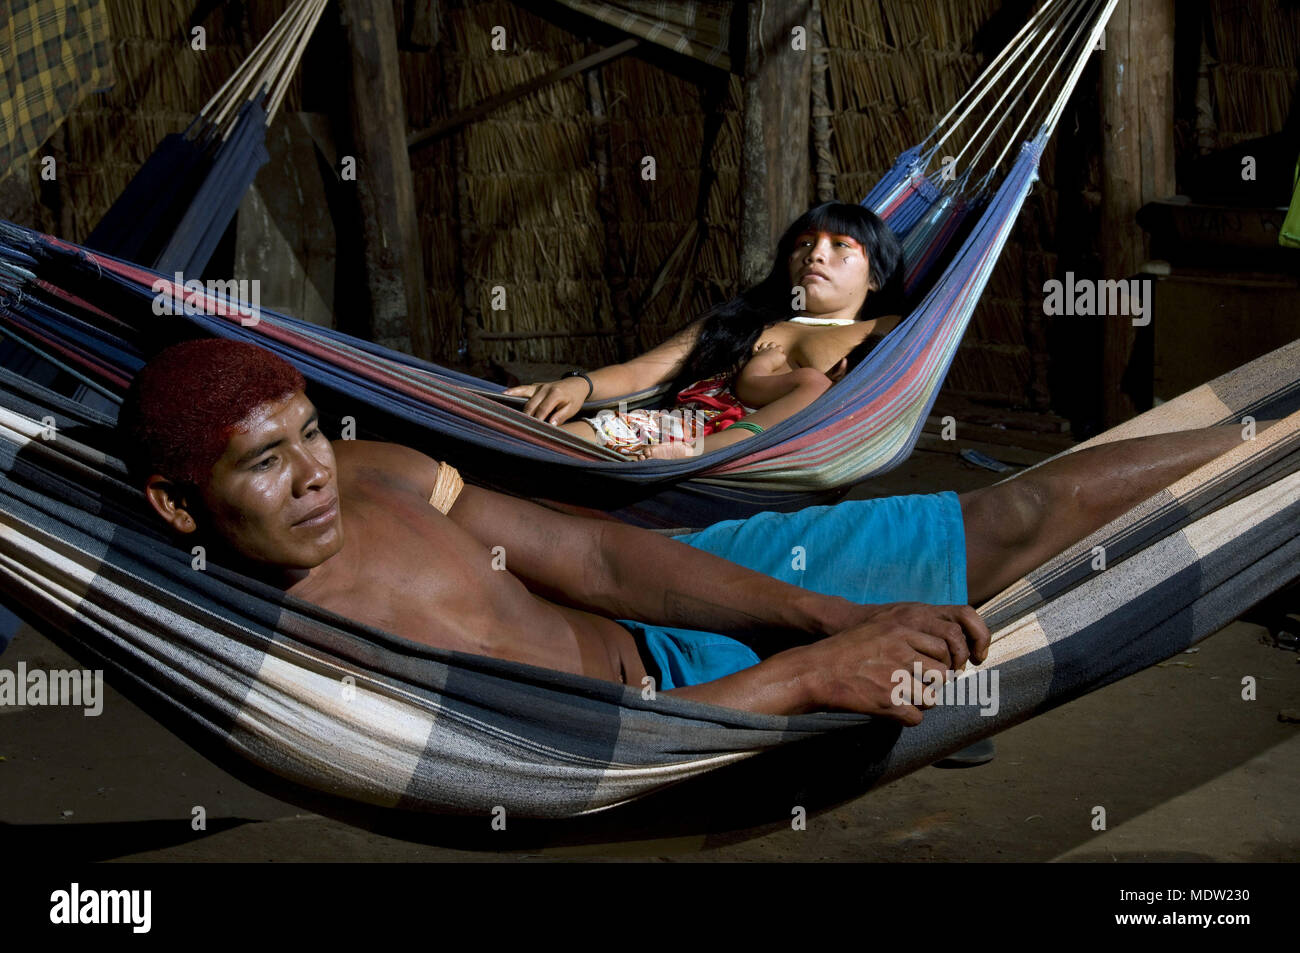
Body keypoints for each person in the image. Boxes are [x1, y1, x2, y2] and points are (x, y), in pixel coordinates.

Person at [122, 339, 1255, 722]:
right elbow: (572, 763)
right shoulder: (302, 653)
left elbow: (601, 555)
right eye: (265, 465)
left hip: (676, 604)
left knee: (1010, 512)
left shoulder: (373, 472)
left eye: (308, 435)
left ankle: (1275, 439)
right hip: (677, 719)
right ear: (178, 505)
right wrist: (812, 670)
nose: (313, 475)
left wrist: (828, 613)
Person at [507, 201, 905, 457]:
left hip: (762, 461)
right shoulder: (743, 319)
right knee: (532, 448)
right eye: (803, 243)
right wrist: (581, 385)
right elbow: (643, 372)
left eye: (841, 245)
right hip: (669, 429)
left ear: (875, 277)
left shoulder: (889, 329)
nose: (815, 253)